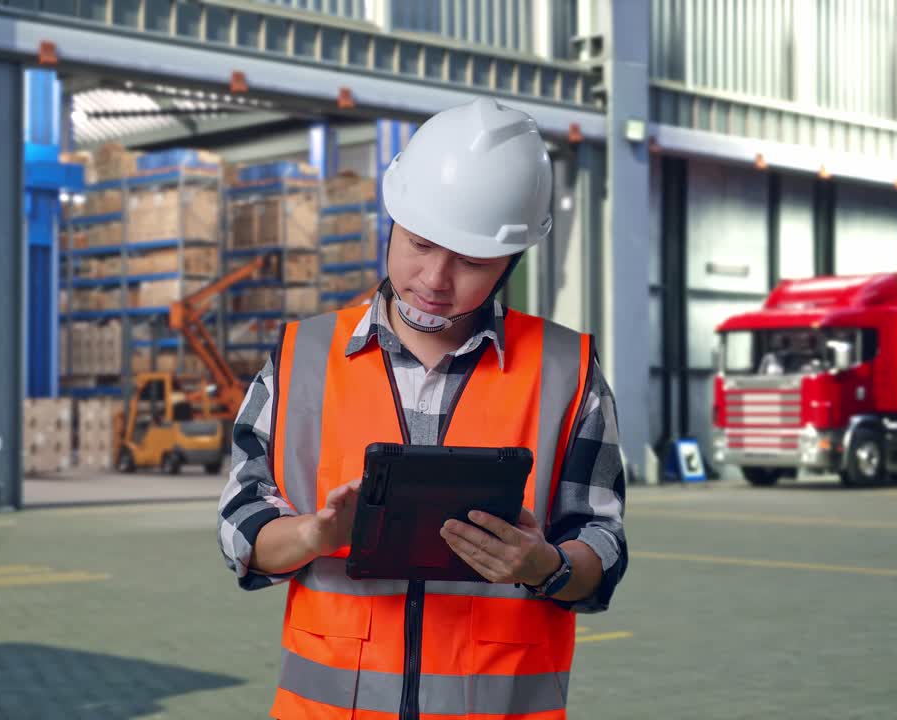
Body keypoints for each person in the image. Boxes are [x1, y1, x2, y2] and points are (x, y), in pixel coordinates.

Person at [216, 96, 628, 720]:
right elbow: (240, 525)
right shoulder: (301, 358)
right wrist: (314, 535)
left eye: (470, 261)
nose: (435, 279)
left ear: (511, 260)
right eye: (420, 244)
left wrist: (544, 565)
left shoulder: (567, 373)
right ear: (394, 218)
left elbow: (600, 546)